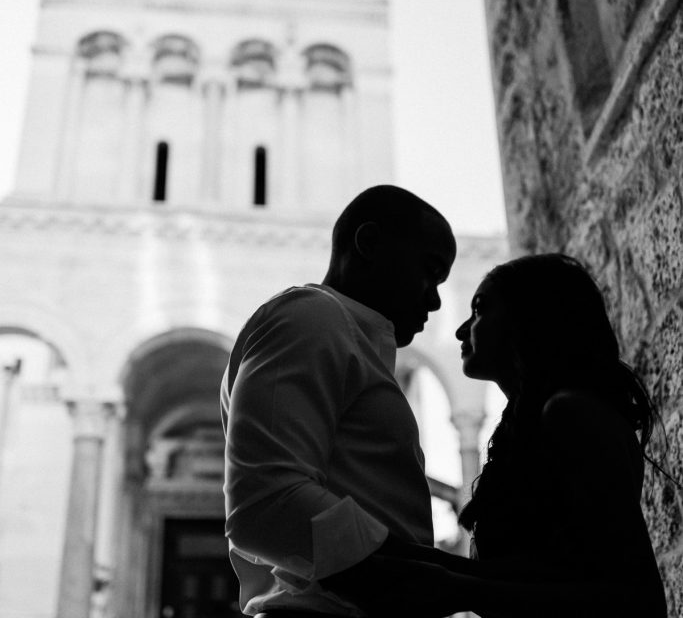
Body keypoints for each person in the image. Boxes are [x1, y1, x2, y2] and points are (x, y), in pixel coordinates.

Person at [325, 253, 668, 617]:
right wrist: (397, 556)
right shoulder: (532, 427)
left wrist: (461, 590)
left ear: (531, 317)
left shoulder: (572, 414)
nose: (461, 330)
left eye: (480, 310)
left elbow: (634, 595)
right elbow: (543, 572)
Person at [221, 184, 457, 617]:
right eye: (429, 270)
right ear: (369, 243)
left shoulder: (342, 333)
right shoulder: (310, 317)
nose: (435, 300)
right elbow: (267, 505)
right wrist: (439, 579)